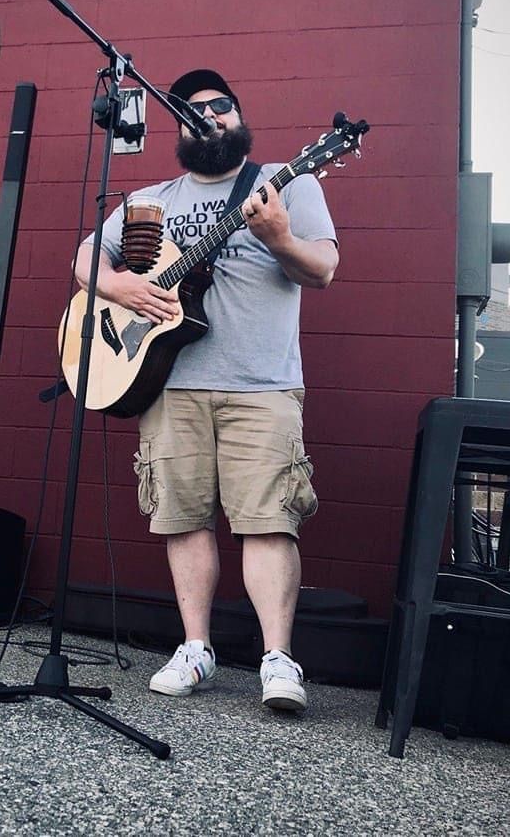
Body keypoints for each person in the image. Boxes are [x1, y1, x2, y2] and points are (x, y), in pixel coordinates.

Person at [73, 69, 338, 712]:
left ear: (239, 117)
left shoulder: (287, 181)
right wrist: (122, 288)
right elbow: (84, 257)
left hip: (262, 384)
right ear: (181, 128)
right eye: (194, 110)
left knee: (268, 521)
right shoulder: (150, 199)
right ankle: (196, 649)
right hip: (170, 382)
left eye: (222, 106)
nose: (210, 115)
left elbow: (324, 268)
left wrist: (277, 237)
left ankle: (277, 661)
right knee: (182, 519)